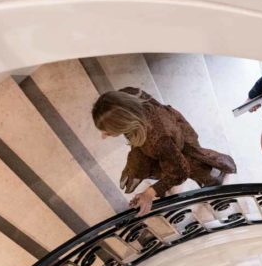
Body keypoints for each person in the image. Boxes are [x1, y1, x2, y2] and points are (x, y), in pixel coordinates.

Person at [92, 87, 237, 215]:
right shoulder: (127, 95)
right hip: (169, 132)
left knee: (199, 170)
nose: (103, 136)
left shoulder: (158, 141)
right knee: (166, 164)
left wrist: (149, 194)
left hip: (173, 144)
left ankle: (217, 183)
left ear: (127, 123)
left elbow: (180, 171)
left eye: (109, 132)